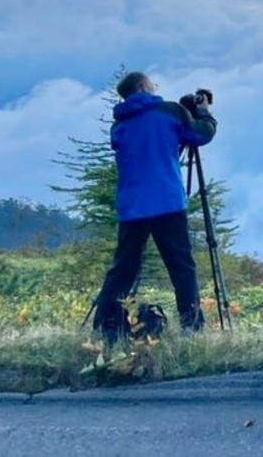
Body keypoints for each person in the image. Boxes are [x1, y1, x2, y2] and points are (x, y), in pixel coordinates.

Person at [92, 71, 217, 342]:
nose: (155, 86)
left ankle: (106, 326)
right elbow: (200, 135)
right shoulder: (169, 111)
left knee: (123, 269)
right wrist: (203, 112)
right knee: (181, 266)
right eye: (151, 83)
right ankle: (191, 327)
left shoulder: (120, 125)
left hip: (131, 205)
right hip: (167, 202)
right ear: (142, 86)